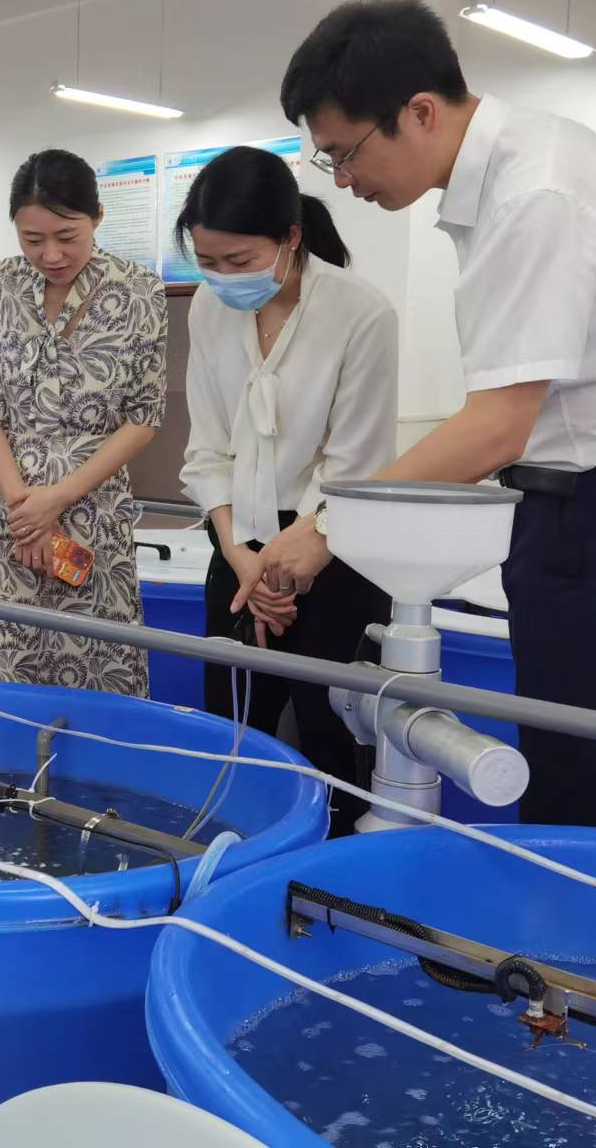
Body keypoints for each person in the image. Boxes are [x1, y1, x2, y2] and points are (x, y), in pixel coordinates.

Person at [240, 0, 596, 833]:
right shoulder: (504, 184)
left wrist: (326, 529)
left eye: (345, 153)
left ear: (420, 112)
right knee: (564, 762)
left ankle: (588, 920)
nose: (341, 181)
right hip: (569, 501)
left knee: (585, 779)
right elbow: (499, 422)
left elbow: (497, 425)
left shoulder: (539, 190)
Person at [177, 145, 398, 836]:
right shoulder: (208, 310)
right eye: (206, 261)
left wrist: (289, 562)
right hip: (238, 544)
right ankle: (235, 864)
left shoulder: (360, 313)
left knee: (334, 740)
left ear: (291, 238)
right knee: (232, 729)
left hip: (336, 547)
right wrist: (241, 556)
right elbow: (207, 445)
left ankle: (330, 880)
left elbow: (355, 462)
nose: (222, 277)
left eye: (238, 260)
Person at [0, 149, 167, 693]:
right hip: (7, 516)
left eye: (67, 236)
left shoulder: (139, 290)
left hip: (92, 508)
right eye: (32, 239)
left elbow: (143, 416)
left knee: (96, 664)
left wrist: (57, 499)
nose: (50, 254)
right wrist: (25, 510)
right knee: (1, 662)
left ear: (98, 217)